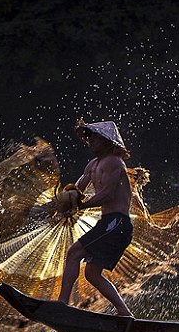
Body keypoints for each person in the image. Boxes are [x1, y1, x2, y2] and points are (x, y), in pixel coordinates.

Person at [56, 119, 135, 317]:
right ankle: (124, 313)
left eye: (94, 137)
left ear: (107, 141)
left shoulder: (114, 162)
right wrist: (62, 203)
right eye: (88, 137)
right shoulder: (93, 165)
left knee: (74, 253)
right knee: (91, 273)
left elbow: (107, 194)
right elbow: (77, 190)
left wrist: (80, 205)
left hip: (117, 224)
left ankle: (62, 305)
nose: (89, 141)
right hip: (108, 223)